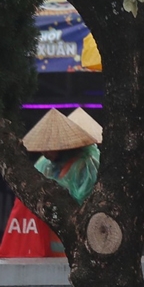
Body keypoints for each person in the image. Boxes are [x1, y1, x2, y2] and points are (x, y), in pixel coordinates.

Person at [0, 108, 100, 258]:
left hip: (72, 247)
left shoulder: (85, 166)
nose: (45, 153)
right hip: (43, 243)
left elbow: (84, 202)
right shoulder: (44, 164)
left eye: (50, 148)